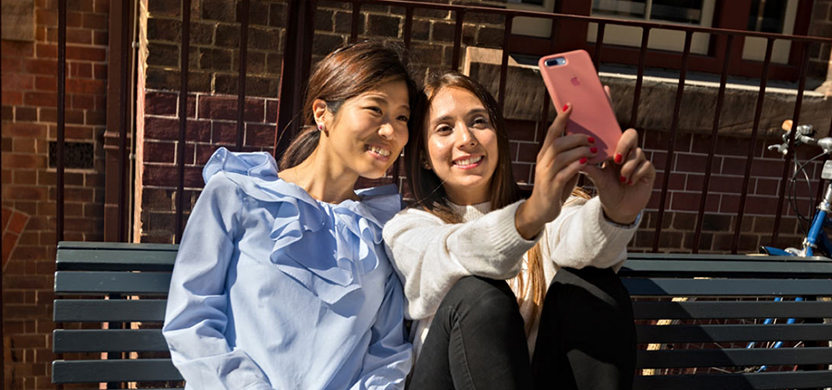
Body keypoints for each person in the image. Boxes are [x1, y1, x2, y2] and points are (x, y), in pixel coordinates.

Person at [161, 42, 421, 390]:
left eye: (401, 117)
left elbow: (386, 355)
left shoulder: (380, 232)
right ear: (322, 113)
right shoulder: (237, 194)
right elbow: (191, 321)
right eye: (376, 109)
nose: (391, 131)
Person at [383, 72, 655, 390]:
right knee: (479, 295)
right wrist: (529, 216)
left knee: (594, 283)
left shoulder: (549, 208)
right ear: (422, 157)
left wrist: (617, 213)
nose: (466, 138)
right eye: (445, 128)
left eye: (479, 122)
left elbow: (581, 242)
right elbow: (452, 252)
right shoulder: (409, 228)